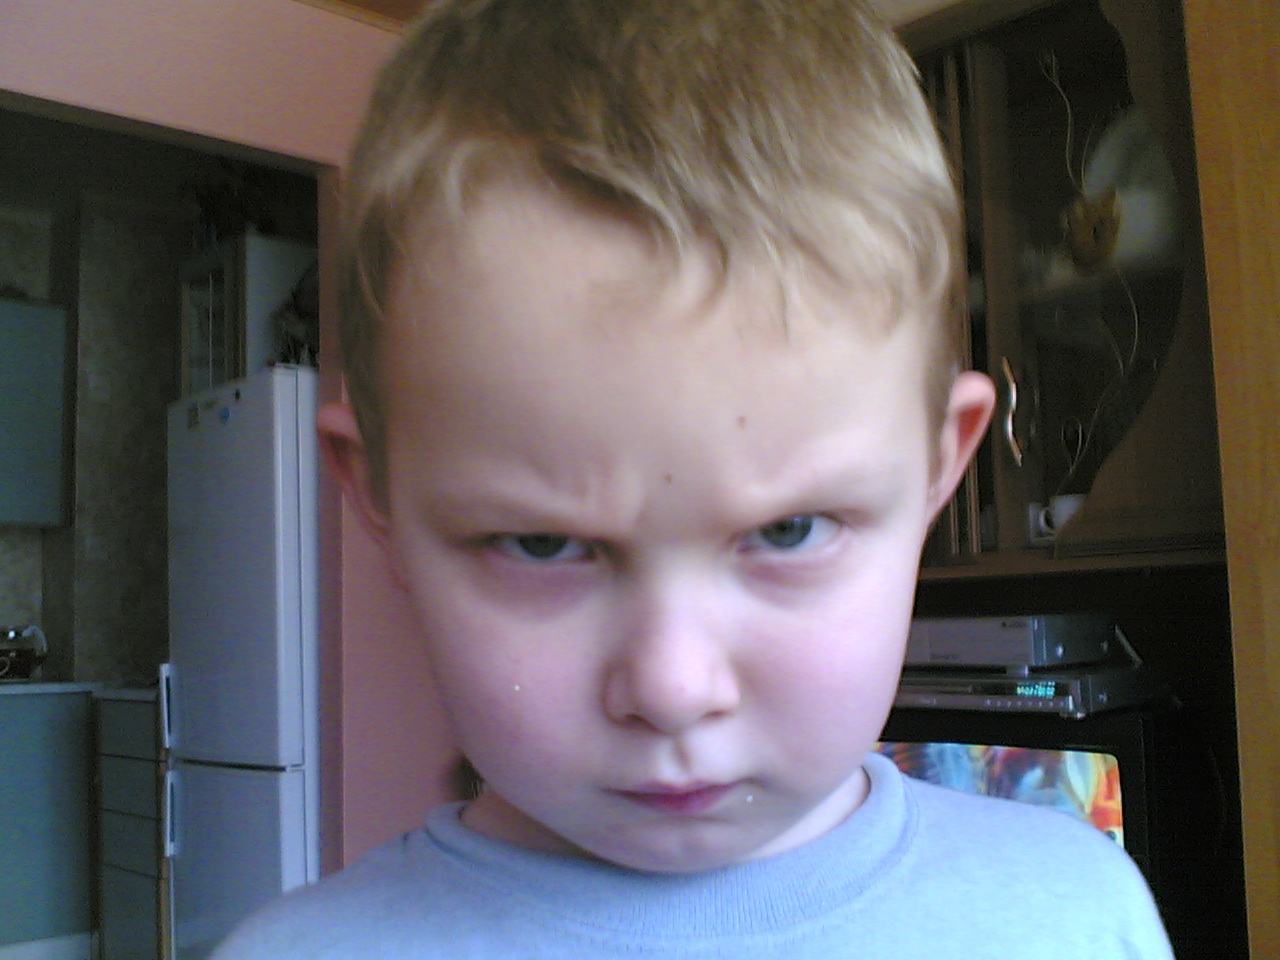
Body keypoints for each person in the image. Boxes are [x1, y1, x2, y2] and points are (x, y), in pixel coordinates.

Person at [214, 0, 1173, 956]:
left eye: (790, 530)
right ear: (378, 497)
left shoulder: (1085, 917)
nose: (673, 688)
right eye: (543, 544)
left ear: (938, 468)